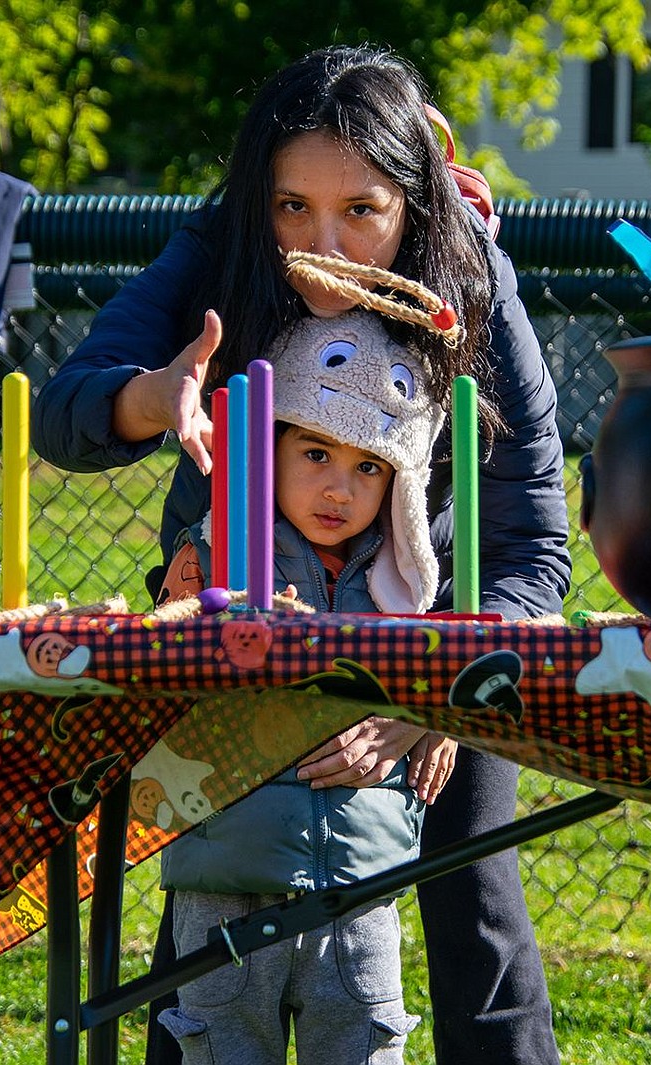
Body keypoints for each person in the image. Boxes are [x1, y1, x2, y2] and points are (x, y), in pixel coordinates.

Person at [32, 43, 572, 1065]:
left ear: (416, 202)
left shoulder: (477, 281)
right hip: (242, 631)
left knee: (477, 904)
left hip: (433, 644)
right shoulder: (217, 252)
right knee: (211, 902)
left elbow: (535, 544)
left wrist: (431, 695)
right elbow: (65, 412)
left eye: (361, 209)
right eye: (292, 208)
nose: (324, 242)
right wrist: (155, 398)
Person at [155, 309, 457, 1064]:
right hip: (227, 881)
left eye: (367, 466)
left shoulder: (407, 586)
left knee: (362, 1047)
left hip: (358, 892)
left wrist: (424, 713)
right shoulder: (212, 558)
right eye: (316, 451)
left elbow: (441, 680)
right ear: (268, 446)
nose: (339, 487)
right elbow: (156, 690)